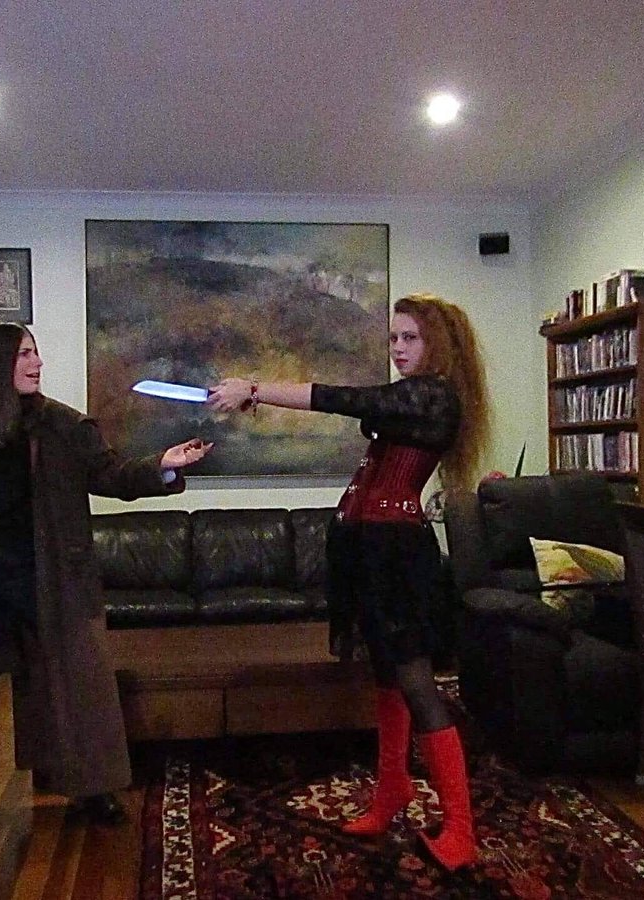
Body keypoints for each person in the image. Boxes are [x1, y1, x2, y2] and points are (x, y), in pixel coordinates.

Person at [0, 321, 211, 859]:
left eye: (36, 353)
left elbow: (111, 474)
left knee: (74, 684)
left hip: (44, 576)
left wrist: (161, 467)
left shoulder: (60, 425)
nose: (38, 363)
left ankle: (92, 791)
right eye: (26, 353)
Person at [206, 293, 490, 871]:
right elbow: (365, 407)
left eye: (411, 338)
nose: (399, 348)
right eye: (394, 337)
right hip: (369, 550)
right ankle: (393, 791)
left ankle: (461, 828)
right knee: (386, 675)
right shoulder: (412, 399)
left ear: (439, 344)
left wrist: (255, 388)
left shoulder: (434, 397)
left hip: (396, 557)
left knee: (417, 683)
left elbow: (344, 399)